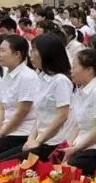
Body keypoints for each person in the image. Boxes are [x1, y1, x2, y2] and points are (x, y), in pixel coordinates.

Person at [15, 33, 72, 161]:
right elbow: (40, 115)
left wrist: (38, 141)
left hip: (54, 142)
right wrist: (31, 139)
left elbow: (62, 116)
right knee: (2, 161)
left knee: (10, 165)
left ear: (47, 53)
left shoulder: (60, 80)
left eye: (34, 50)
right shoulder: (41, 77)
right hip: (40, 139)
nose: (30, 54)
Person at [0, 35, 39, 160]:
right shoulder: (7, 74)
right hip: (7, 131)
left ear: (17, 54)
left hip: (21, 133)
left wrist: (1, 133)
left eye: (3, 50)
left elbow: (22, 111)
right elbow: (1, 107)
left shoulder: (27, 76)